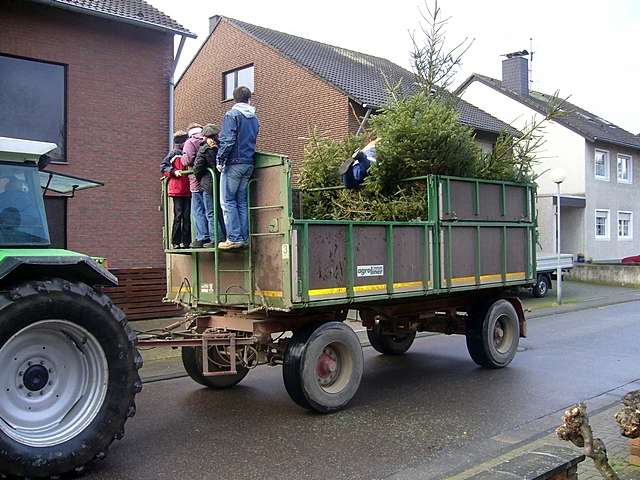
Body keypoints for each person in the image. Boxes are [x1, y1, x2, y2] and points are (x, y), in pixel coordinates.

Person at [216, 86, 260, 250]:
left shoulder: (232, 115)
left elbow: (228, 140)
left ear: (235, 99)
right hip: (248, 163)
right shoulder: (254, 118)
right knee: (241, 202)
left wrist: (220, 160)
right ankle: (244, 238)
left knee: (227, 201)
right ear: (249, 99)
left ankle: (234, 238)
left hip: (233, 163)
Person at [193, 123, 226, 247]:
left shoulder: (204, 149)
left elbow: (197, 168)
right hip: (221, 182)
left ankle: (215, 239)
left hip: (208, 184)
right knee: (222, 210)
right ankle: (225, 236)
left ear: (205, 136)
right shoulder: (221, 146)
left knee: (211, 212)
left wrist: (200, 178)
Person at [160, 130, 190, 249]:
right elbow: (163, 166)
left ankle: (185, 242)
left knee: (186, 216)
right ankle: (176, 241)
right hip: (177, 190)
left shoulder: (186, 154)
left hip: (186, 189)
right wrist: (173, 171)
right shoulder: (174, 154)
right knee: (179, 216)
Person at [181, 123, 208, 248]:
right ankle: (214, 236)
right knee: (210, 210)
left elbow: (188, 160)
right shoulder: (207, 140)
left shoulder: (189, 142)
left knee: (197, 211)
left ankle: (202, 236)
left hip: (196, 182)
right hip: (208, 181)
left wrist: (182, 159)